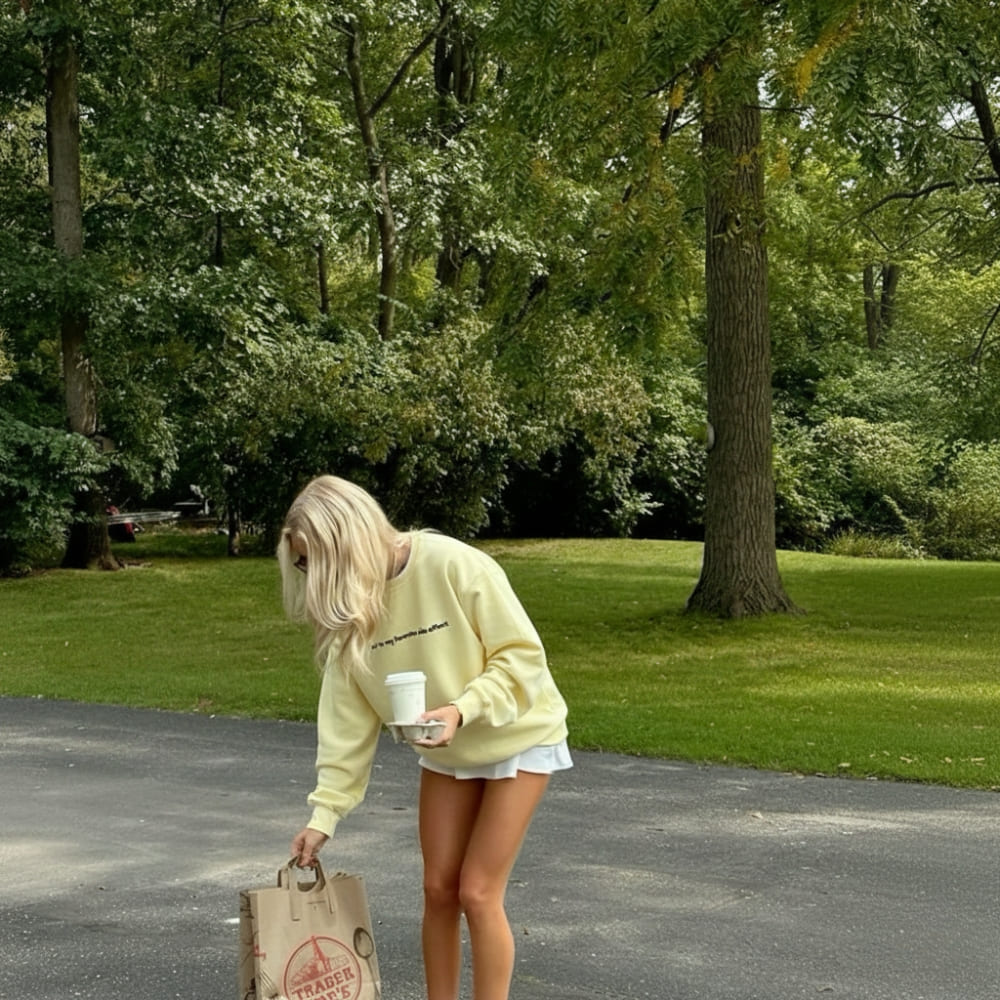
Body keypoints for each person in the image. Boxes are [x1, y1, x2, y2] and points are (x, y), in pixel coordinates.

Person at [277, 475, 572, 1000]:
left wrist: (463, 709)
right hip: (445, 750)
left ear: (348, 540)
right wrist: (323, 816)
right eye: (301, 563)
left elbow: (521, 656)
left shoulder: (451, 563)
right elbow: (346, 725)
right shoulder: (353, 613)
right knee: (438, 890)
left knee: (477, 892)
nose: (310, 573)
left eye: (314, 559)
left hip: (519, 733)